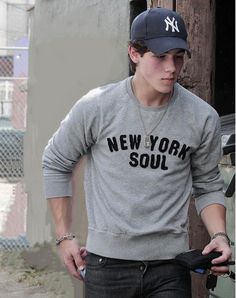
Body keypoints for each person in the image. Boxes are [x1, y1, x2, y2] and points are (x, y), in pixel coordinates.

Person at [42, 7, 232, 298]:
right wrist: (64, 236)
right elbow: (56, 162)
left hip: (170, 266)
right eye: (160, 56)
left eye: (178, 57)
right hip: (107, 265)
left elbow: (207, 184)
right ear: (134, 53)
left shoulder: (202, 117)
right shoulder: (97, 106)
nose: (171, 67)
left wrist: (219, 235)